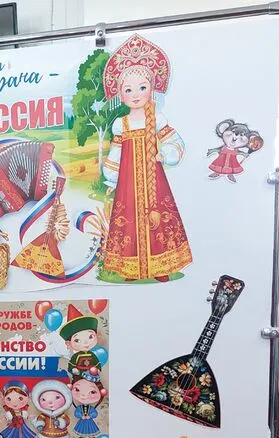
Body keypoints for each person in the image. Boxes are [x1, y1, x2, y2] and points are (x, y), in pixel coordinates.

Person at [101, 33, 192, 282]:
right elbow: (116, 152)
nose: (136, 94)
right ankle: (132, 269)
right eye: (128, 89)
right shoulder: (121, 124)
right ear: (120, 94)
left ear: (152, 89)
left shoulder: (157, 119)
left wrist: (166, 154)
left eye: (142, 87)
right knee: (129, 220)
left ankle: (160, 268)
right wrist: (111, 179)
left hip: (155, 182)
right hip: (128, 183)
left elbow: (175, 141)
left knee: (159, 219)